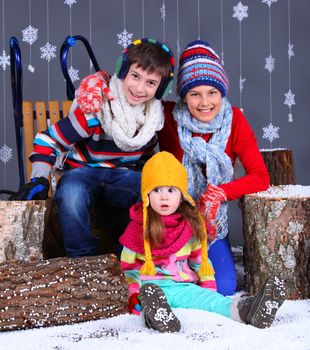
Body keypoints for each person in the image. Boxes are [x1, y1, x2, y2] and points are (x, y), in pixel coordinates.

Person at [11, 38, 175, 258]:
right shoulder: (97, 108)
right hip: (83, 171)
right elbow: (48, 140)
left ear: (161, 88)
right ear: (123, 70)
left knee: (151, 192)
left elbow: (146, 158)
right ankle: (83, 259)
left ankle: (129, 257)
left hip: (123, 176)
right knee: (70, 194)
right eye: (135, 76)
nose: (139, 88)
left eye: (151, 83)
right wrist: (39, 179)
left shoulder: (151, 120)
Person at [119, 151, 285, 333]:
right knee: (146, 303)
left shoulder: (189, 225)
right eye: (156, 190)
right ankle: (155, 317)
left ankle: (248, 310)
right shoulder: (138, 228)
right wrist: (133, 296)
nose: (164, 197)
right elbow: (129, 270)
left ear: (182, 195)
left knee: (213, 301)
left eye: (171, 190)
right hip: (150, 288)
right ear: (146, 195)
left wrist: (208, 291)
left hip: (183, 287)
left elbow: (201, 263)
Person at [157, 40, 270, 295]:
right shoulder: (167, 117)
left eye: (212, 92)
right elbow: (136, 91)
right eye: (194, 93)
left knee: (224, 287)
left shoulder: (235, 121)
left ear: (222, 92)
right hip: (171, 220)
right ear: (183, 95)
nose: (204, 102)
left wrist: (220, 193)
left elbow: (260, 177)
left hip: (210, 225)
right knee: (169, 282)